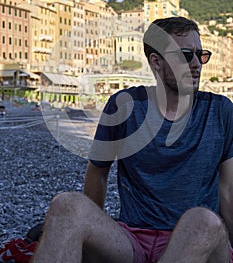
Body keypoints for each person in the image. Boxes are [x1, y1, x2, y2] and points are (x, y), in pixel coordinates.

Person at [32, 16, 233, 263]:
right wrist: (89, 234)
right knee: (66, 206)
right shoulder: (125, 107)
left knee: (203, 220)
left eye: (200, 55)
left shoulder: (220, 110)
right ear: (156, 62)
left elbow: (228, 189)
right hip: (133, 240)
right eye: (185, 55)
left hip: (199, 241)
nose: (196, 64)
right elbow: (97, 173)